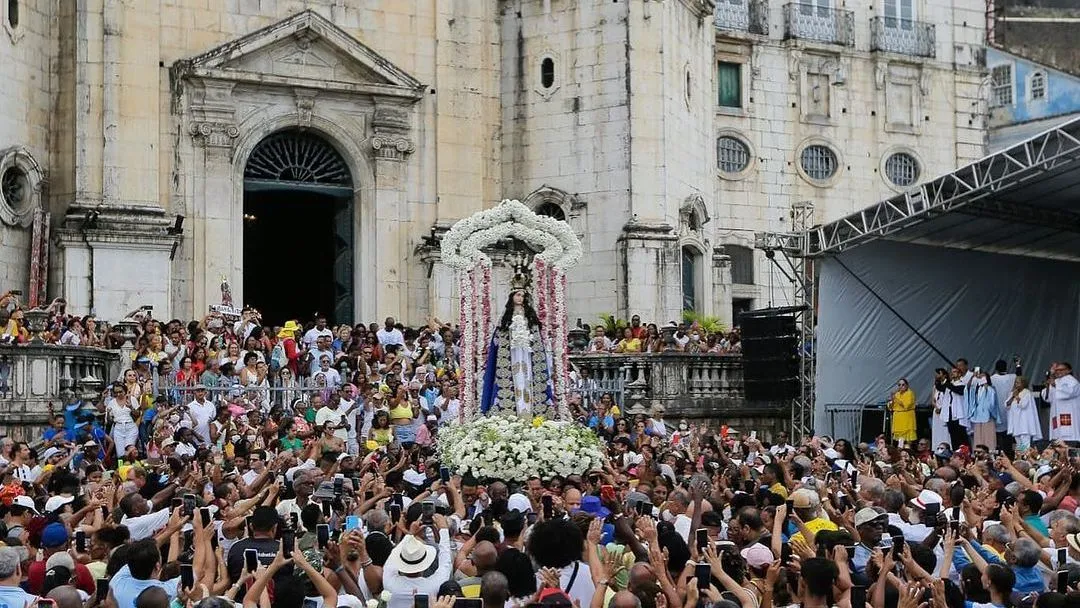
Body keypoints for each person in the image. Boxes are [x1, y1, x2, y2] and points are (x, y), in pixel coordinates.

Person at [480, 274, 554, 418]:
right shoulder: (506, 319)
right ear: (512, 297)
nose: (520, 298)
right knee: (514, 379)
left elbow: (537, 338)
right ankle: (512, 411)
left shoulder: (530, 317)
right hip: (511, 356)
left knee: (527, 378)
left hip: (527, 355)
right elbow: (499, 339)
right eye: (517, 295)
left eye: (522, 295)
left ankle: (530, 410)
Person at [1044, 362, 1080, 443]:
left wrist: (1056, 385)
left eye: (1061, 369)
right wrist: (1050, 380)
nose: (1058, 371)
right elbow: (1047, 398)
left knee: (1069, 441)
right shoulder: (1056, 381)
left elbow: (1070, 392)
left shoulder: (1072, 381)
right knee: (1056, 439)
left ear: (1068, 370)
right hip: (1056, 415)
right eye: (1056, 370)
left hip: (1068, 416)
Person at [1006, 375, 1042, 452]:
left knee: (1025, 445)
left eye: (1018, 383)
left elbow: (1023, 405)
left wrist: (1017, 397)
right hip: (1016, 425)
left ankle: (1026, 460)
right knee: (1019, 446)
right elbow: (1006, 405)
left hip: (1024, 425)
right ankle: (1021, 457)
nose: (1016, 384)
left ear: (1023, 383)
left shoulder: (1027, 393)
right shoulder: (1013, 393)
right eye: (1015, 383)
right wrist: (1013, 396)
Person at [888, 378, 916, 443]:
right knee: (900, 440)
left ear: (907, 385)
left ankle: (908, 451)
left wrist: (895, 398)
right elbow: (891, 407)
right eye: (899, 385)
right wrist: (891, 400)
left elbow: (906, 405)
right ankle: (900, 450)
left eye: (903, 385)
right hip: (898, 418)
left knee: (907, 439)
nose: (901, 386)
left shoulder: (910, 393)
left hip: (906, 417)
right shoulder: (897, 394)